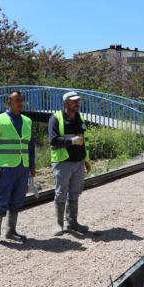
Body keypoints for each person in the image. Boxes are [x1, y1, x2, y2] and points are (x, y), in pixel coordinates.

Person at [0, 91, 36, 248]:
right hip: (5, 169)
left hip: (22, 167)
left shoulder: (28, 121)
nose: (20, 103)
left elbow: (31, 147)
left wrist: (32, 166)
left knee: (17, 200)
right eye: (17, 100)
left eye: (21, 100)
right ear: (8, 103)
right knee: (0, 200)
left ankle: (11, 231)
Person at [48, 91, 91, 236]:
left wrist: (86, 160)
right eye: (73, 101)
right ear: (65, 103)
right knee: (61, 194)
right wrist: (72, 141)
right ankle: (59, 225)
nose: (77, 103)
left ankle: (72, 222)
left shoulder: (81, 119)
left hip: (78, 162)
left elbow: (86, 142)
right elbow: (53, 140)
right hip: (62, 162)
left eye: (78, 100)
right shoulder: (56, 119)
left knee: (74, 194)